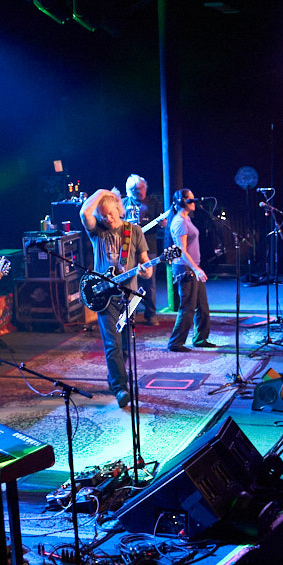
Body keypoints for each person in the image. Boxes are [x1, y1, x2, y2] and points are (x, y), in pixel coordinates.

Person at [80, 188, 153, 406]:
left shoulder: (134, 231)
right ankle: (120, 388)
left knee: (124, 346)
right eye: (103, 215)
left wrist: (146, 271)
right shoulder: (97, 231)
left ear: (119, 210)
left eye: (111, 214)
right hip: (104, 297)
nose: (107, 219)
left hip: (128, 297)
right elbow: (85, 213)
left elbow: (145, 263)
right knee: (112, 344)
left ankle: (117, 378)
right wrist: (101, 192)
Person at [166, 188, 216, 352]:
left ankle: (200, 338)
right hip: (186, 268)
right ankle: (175, 342)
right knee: (187, 307)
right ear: (182, 202)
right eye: (191, 200)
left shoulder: (186, 219)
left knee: (202, 306)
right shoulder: (179, 222)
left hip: (194, 266)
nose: (194, 203)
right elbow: (182, 250)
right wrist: (196, 268)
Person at [121, 174, 163, 326]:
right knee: (128, 282)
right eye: (138, 190)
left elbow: (163, 223)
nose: (141, 192)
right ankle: (130, 314)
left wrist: (163, 223)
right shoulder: (124, 203)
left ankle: (150, 314)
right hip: (127, 248)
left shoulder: (153, 203)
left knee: (149, 282)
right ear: (130, 190)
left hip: (149, 246)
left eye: (143, 188)